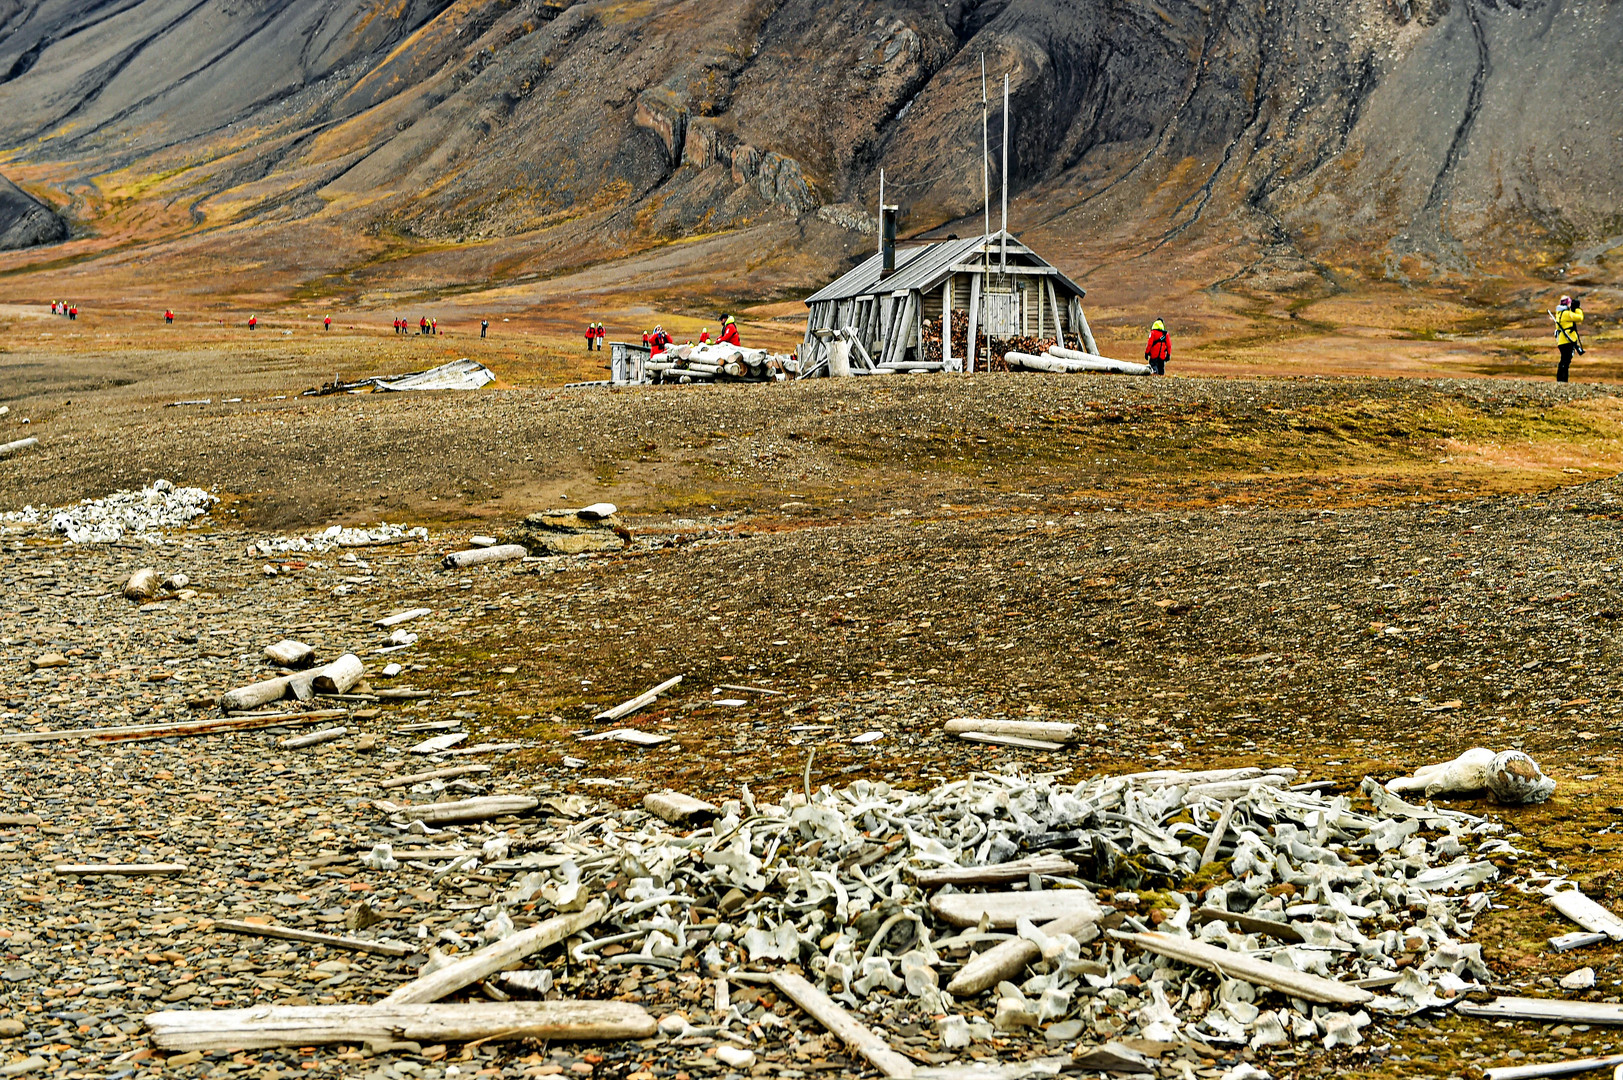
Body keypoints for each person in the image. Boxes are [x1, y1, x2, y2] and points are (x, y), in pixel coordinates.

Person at [1553, 295, 1585, 383]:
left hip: (1562, 341)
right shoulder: (1566, 314)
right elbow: (1580, 318)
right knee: (1566, 361)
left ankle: (1560, 379)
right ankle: (1563, 380)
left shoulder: (1559, 314)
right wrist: (1577, 308)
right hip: (1567, 340)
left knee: (1564, 360)